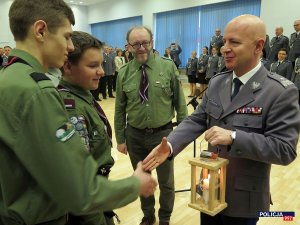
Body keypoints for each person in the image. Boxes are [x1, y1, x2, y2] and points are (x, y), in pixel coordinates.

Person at [0, 1, 157, 224]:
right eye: (66, 36)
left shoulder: (9, 77)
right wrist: (135, 184)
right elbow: (80, 190)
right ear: (41, 30)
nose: (71, 46)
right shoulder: (37, 92)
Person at [143, 14, 300, 225]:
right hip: (208, 190)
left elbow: (284, 150)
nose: (225, 47)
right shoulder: (218, 82)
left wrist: (234, 137)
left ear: (258, 46)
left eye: (234, 42)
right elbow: (196, 120)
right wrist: (170, 145)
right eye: (224, 41)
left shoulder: (280, 91)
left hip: (244, 199)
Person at [114, 26, 188, 225]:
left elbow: (180, 104)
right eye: (136, 44)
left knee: (166, 183)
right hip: (135, 136)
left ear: (152, 42)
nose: (141, 48)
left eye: (145, 43)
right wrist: (120, 139)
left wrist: (181, 138)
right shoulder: (123, 73)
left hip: (162, 136)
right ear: (128, 46)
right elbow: (119, 109)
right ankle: (148, 216)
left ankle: (165, 218)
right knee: (142, 179)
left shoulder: (168, 66)